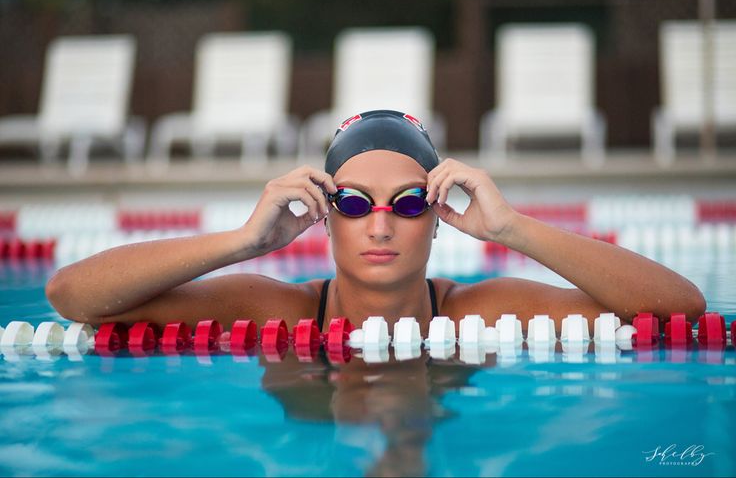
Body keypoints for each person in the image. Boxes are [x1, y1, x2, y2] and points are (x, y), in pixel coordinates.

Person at [45, 109, 706, 336]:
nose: (381, 225)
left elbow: (682, 309)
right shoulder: (278, 309)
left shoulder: (477, 313)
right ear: (326, 220)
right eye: (356, 203)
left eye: (410, 203)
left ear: (440, 220)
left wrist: (513, 230)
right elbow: (71, 297)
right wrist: (244, 241)